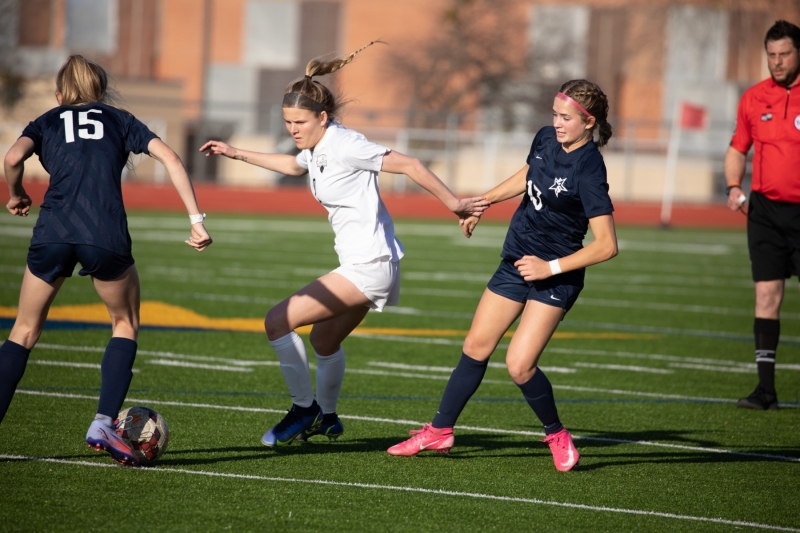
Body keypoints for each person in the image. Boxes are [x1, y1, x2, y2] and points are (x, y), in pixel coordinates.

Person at [199, 42, 489, 447]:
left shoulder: (345, 143)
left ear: (322, 117)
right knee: (323, 340)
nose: (293, 129)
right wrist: (233, 152)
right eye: (287, 122)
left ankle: (304, 409)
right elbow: (290, 164)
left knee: (277, 321)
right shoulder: (316, 146)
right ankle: (329, 417)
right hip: (373, 264)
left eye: (299, 122)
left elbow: (410, 164)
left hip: (368, 264)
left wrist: (455, 204)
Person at [387, 79, 618, 472]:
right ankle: (441, 430)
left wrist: (551, 268)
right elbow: (528, 174)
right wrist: (482, 202)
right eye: (554, 115)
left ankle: (557, 434)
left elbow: (606, 245)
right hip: (515, 259)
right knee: (476, 346)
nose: (556, 123)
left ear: (588, 122)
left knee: (519, 365)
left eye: (565, 118)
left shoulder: (590, 169)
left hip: (556, 275)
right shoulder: (546, 139)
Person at [0, 55, 212, 464]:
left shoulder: (46, 120)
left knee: (23, 331)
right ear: (100, 90)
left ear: (60, 94)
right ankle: (102, 421)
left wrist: (16, 193)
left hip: (53, 232)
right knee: (125, 323)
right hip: (104, 234)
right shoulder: (118, 119)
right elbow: (170, 157)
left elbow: (11, 158)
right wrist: (196, 220)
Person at [724, 20, 800, 411]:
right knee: (766, 296)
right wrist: (734, 187)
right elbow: (738, 147)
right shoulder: (754, 98)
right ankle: (766, 392)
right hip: (765, 212)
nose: (777, 62)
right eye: (771, 55)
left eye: (784, 54)